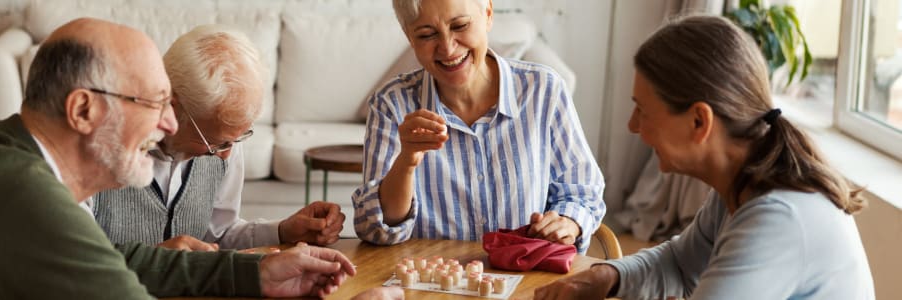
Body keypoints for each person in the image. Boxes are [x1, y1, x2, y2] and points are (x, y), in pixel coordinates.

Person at [0, 18, 355, 299]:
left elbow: (115, 261)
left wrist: (257, 273)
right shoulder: (23, 193)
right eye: (156, 103)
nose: (169, 125)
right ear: (83, 110)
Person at [534, 15, 874, 300]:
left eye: (643, 110)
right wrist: (605, 276)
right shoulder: (739, 186)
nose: (633, 126)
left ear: (699, 121)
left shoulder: (778, 220)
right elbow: (680, 263)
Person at [352, 0, 605, 252]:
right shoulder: (390, 104)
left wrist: (568, 223)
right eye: (427, 34)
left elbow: (583, 193)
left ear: (488, 14)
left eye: (460, 25)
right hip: (431, 286)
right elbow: (376, 229)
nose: (448, 48)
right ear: (409, 37)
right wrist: (406, 161)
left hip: (525, 282)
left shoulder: (544, 90)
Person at [90, 24, 345, 251]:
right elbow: (72, 261)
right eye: (215, 143)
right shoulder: (98, 148)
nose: (225, 154)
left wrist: (283, 231)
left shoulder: (225, 139)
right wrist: (159, 260)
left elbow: (219, 234)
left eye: (237, 138)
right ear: (172, 106)